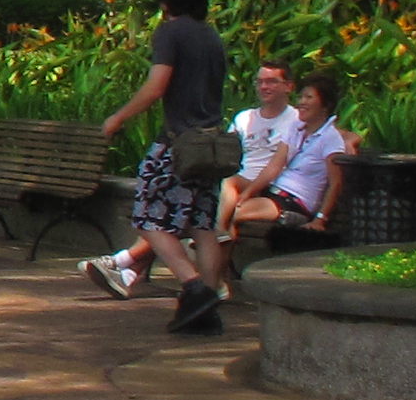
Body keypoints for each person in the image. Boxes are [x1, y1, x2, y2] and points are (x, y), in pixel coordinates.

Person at [87, 58, 290, 298]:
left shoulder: (295, 120)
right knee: (191, 217)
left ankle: (125, 264)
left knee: (192, 221)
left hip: (263, 191)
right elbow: (227, 154)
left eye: (272, 82)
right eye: (260, 81)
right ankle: (132, 272)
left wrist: (247, 193)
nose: (264, 87)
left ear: (288, 86)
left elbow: (285, 161)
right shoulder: (245, 118)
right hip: (231, 184)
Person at [86, 0, 228, 295]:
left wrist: (117, 118)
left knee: (147, 218)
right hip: (211, 145)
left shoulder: (171, 33)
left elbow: (156, 86)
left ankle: (191, 286)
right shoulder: (211, 36)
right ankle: (209, 294)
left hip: (177, 144)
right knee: (203, 226)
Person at [212, 68, 353, 284]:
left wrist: (320, 219)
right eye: (301, 96)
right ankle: (218, 280)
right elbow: (273, 167)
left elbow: (336, 183)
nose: (302, 102)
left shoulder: (330, 139)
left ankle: (214, 280)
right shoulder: (296, 128)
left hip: (294, 203)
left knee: (228, 217)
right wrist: (247, 193)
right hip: (274, 194)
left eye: (309, 97)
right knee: (227, 214)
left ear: (324, 105)